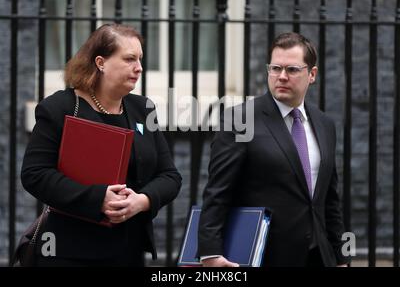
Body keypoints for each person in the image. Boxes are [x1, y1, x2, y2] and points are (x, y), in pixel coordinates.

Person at [21, 23, 182, 266]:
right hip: (70, 252)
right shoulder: (59, 108)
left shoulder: (142, 108)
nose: (138, 68)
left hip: (130, 251)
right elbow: (35, 174)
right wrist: (98, 199)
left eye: (140, 59)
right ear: (100, 63)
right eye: (129, 59)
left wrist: (142, 200)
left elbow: (170, 176)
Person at [197, 32, 350, 267]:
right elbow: (218, 190)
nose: (281, 77)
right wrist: (210, 252)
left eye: (292, 70)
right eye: (275, 68)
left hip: (319, 256)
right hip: (265, 255)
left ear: (312, 74)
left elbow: (329, 198)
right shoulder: (241, 119)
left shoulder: (324, 124)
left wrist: (340, 257)